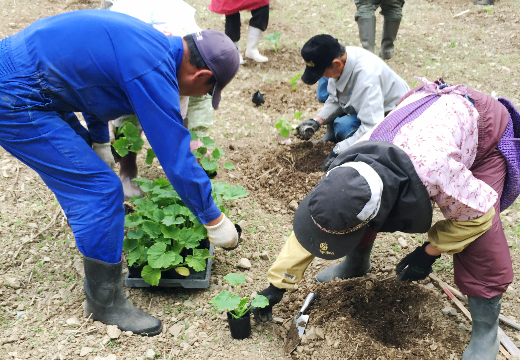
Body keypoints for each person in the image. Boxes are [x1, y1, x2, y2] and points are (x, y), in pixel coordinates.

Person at [0, 10, 240, 336]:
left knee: (90, 179)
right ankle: (105, 303)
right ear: (200, 76)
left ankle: (94, 231)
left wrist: (99, 139)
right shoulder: (154, 72)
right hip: (17, 94)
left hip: (31, 74)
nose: (200, 97)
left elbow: (89, 81)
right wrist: (213, 220)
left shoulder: (153, 44)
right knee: (100, 190)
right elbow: (176, 158)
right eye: (207, 92)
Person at [253, 78, 519, 360]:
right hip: (425, 125)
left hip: (481, 129)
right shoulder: (346, 166)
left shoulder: (435, 171)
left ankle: (485, 331)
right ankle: (356, 262)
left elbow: (479, 215)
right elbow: (322, 220)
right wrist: (277, 284)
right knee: (352, 213)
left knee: (480, 240)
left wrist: (429, 252)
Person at [102, 0, 216, 199]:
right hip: (130, 53)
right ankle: (128, 172)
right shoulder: (131, 51)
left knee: (182, 119)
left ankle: (186, 172)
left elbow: (202, 96)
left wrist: (197, 137)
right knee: (128, 113)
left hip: (168, 38)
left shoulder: (196, 46)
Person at [296, 34, 409, 170]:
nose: (322, 77)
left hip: (393, 115)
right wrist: (317, 120)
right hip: (367, 106)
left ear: (337, 64)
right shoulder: (341, 57)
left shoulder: (367, 78)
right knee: (339, 121)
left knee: (344, 128)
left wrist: (339, 150)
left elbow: (371, 127)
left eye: (323, 73)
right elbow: (335, 98)